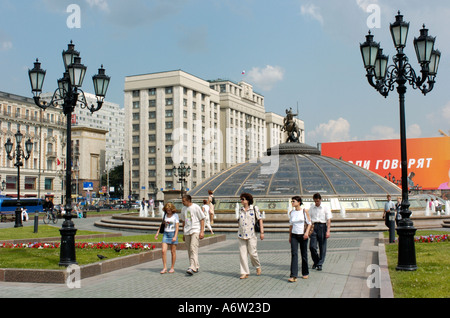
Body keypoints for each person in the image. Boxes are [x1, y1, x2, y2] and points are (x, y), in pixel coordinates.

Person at [237, 192, 264, 279]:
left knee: (253, 253)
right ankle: (244, 272)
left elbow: (260, 219)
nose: (241, 200)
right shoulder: (240, 209)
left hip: (251, 234)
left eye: (243, 199)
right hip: (241, 234)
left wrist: (262, 232)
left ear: (248, 200)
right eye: (241, 199)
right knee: (242, 254)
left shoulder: (254, 208)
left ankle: (257, 266)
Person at [180, 194, 205, 276]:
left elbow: (202, 219)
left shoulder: (196, 207)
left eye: (183, 201)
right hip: (187, 231)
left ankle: (192, 267)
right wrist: (183, 233)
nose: (182, 202)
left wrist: (202, 231)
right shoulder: (183, 209)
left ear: (188, 200)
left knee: (193, 247)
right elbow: (183, 221)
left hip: (195, 230)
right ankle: (196, 265)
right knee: (189, 249)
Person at [288, 196, 311, 282]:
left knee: (304, 254)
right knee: (294, 254)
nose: (292, 203)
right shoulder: (292, 212)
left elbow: (309, 223)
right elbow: (291, 225)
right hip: (294, 235)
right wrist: (290, 236)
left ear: (299, 202)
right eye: (291, 201)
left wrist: (306, 233)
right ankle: (293, 275)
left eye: (293, 201)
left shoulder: (304, 211)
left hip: (303, 235)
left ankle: (305, 272)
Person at [309, 193, 332, 271]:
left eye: (318, 201)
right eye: (315, 201)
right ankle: (316, 261)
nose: (317, 203)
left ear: (320, 200)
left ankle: (319, 263)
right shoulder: (312, 207)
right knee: (312, 246)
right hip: (313, 227)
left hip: (322, 226)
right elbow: (309, 219)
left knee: (322, 246)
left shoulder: (325, 207)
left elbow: (328, 220)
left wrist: (328, 231)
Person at [155, 202, 179, 274]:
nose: (168, 211)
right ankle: (164, 267)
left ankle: (172, 267)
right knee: (163, 251)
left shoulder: (175, 216)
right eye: (167, 210)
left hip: (172, 233)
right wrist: (157, 233)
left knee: (173, 252)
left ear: (172, 209)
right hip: (165, 234)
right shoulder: (165, 215)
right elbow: (162, 225)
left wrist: (175, 236)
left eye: (169, 210)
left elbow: (177, 227)